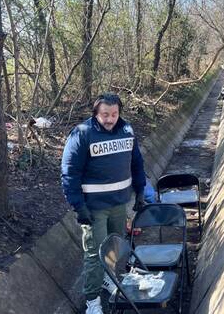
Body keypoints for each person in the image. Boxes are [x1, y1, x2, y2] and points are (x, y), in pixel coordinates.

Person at [61, 93, 156, 314]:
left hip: (119, 205)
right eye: (105, 114)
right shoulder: (82, 134)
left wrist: (140, 191)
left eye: (114, 114)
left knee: (114, 247)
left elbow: (137, 163)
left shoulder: (127, 131)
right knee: (95, 256)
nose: (110, 119)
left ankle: (108, 278)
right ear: (96, 113)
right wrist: (78, 206)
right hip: (93, 209)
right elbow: (69, 173)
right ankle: (92, 302)